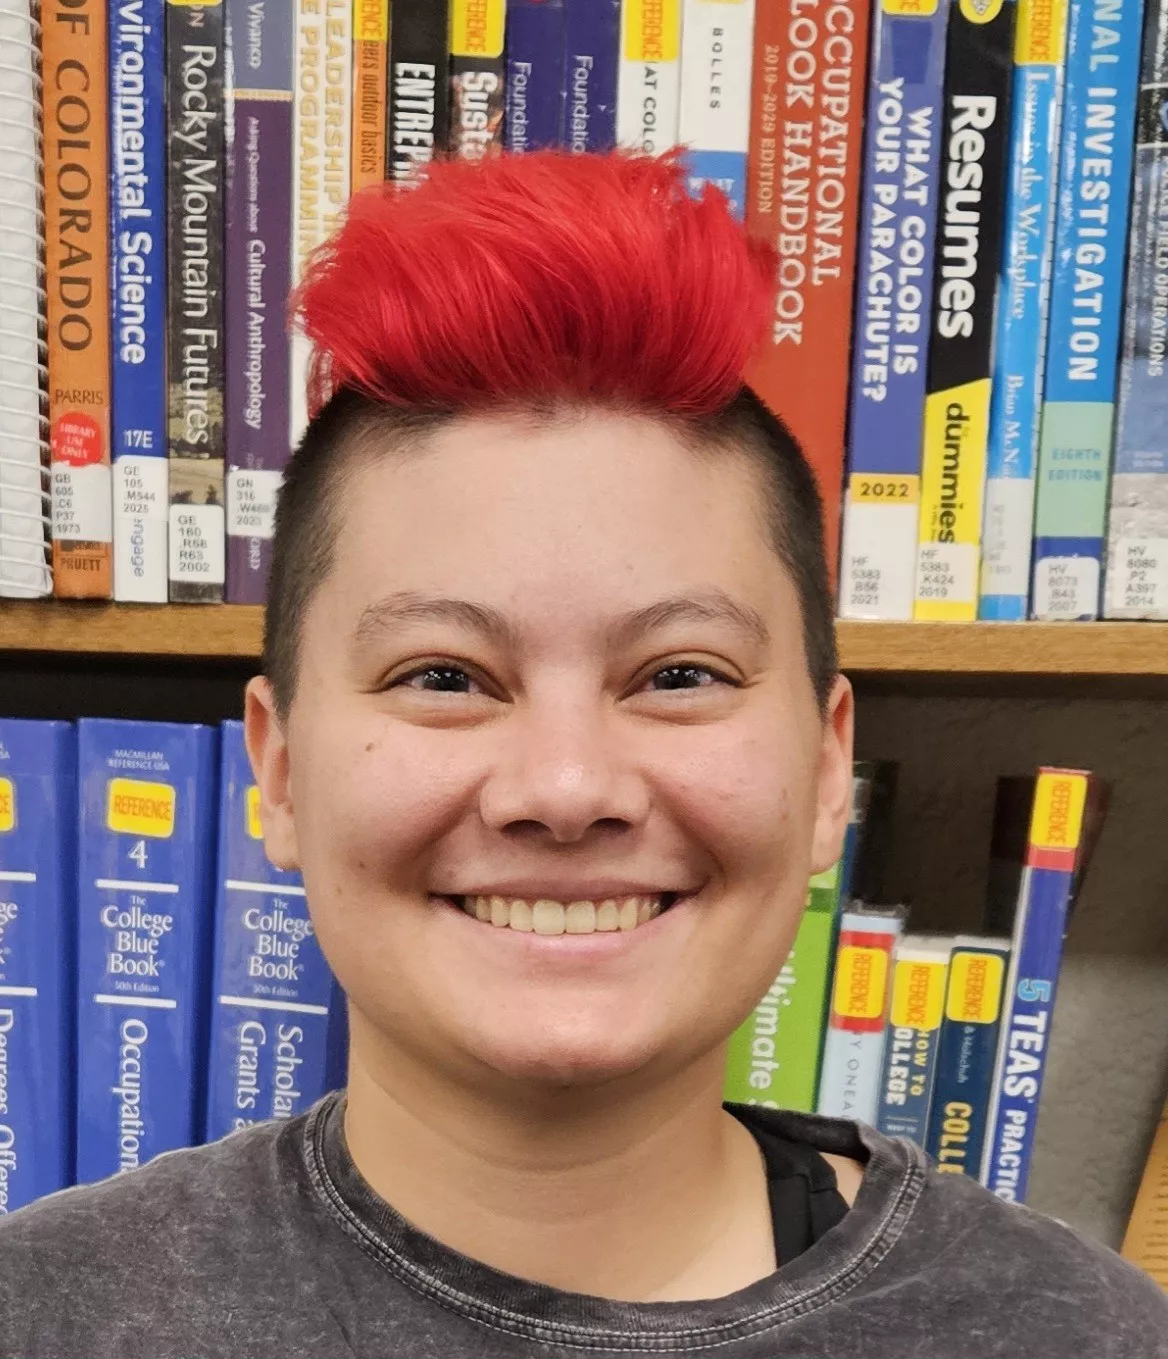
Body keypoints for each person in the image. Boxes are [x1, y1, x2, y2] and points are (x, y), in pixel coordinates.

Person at [0, 150, 1164, 1359]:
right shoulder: (46, 1314)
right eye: (443, 678)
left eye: (677, 677)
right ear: (279, 774)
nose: (564, 790)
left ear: (827, 771)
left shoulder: (1083, 1336)